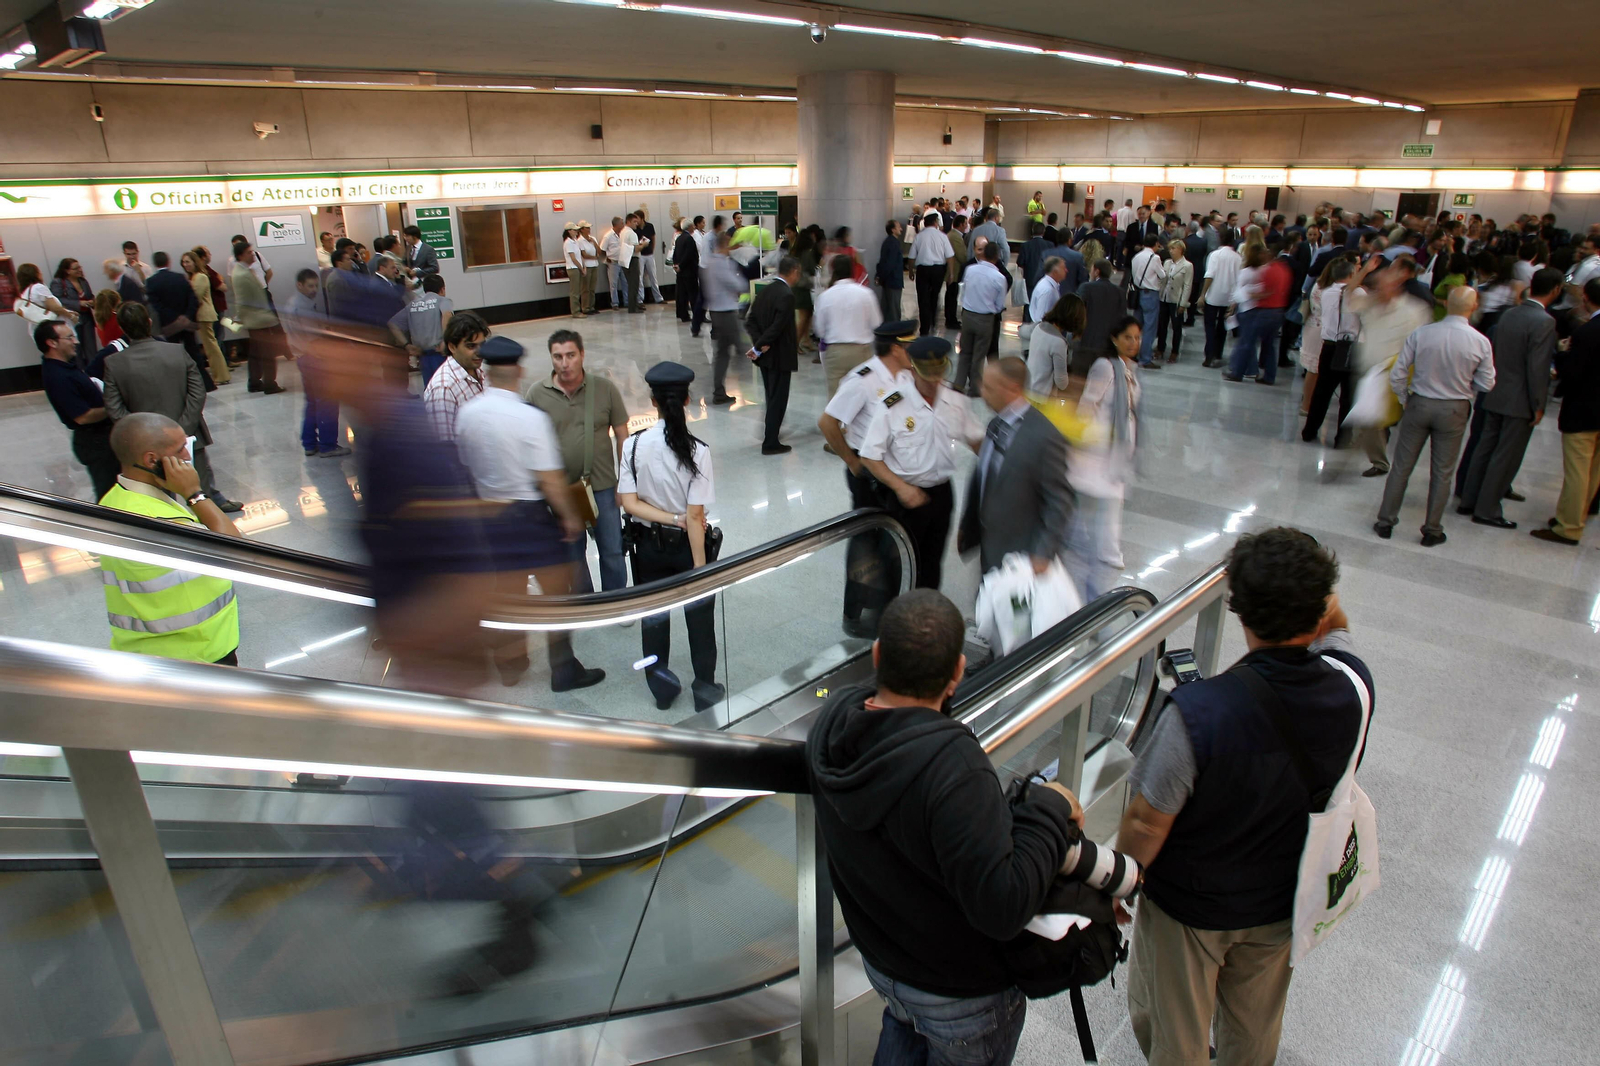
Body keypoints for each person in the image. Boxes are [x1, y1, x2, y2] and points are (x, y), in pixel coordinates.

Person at [1119, 527, 1372, 1066]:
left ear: (1240, 613)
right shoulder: (1352, 687)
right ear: (1320, 610)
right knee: (1254, 1028)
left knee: (1175, 1030)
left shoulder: (1196, 714)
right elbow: (1340, 627)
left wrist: (1117, 886)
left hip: (1191, 909)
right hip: (1283, 897)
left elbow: (1144, 825)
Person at [806, 588, 1085, 1066]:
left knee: (904, 1025)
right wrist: (1049, 808)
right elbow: (1002, 906)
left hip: (886, 962)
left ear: (876, 655)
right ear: (958, 672)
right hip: (959, 994)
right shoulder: (955, 770)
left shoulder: (833, 726)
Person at [453, 336, 605, 692]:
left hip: (489, 514)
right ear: (519, 370)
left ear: (487, 371)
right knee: (555, 592)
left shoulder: (468, 414)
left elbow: (464, 466)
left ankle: (510, 665)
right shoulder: (529, 417)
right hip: (529, 516)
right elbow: (550, 480)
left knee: (507, 591)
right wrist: (568, 517)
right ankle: (564, 669)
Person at [618, 361, 725, 711]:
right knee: (699, 622)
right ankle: (704, 691)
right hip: (688, 550)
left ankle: (661, 690)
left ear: (652, 401)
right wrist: (699, 570)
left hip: (647, 548)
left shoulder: (632, 447)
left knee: (654, 621)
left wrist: (667, 518)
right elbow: (695, 516)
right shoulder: (699, 451)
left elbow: (629, 504)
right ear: (688, 399)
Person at [97, 412, 243, 663]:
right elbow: (236, 550)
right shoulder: (158, 521)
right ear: (152, 460)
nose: (188, 456)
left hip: (145, 649)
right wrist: (195, 494)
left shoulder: (113, 499)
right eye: (180, 450)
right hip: (197, 652)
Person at [858, 337, 984, 590]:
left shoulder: (955, 401)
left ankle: (926, 615)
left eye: (939, 374)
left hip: (941, 494)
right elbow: (869, 456)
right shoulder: (893, 405)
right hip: (905, 497)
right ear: (913, 369)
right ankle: (896, 619)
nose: (934, 382)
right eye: (928, 376)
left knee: (931, 562)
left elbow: (978, 442)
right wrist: (901, 488)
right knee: (899, 565)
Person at [1375, 287, 1496, 546]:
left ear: (1447, 304)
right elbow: (1487, 383)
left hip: (1420, 403)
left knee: (1401, 467)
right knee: (1442, 472)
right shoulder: (1480, 341)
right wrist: (1466, 389)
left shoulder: (1423, 333)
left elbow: (1398, 373)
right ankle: (1432, 529)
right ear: (1473, 308)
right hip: (1454, 408)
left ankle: (1385, 521)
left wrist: (1406, 399)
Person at [819, 320, 915, 636]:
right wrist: (851, 460)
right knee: (866, 544)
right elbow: (828, 422)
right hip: (868, 474)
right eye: (909, 344)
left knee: (891, 541)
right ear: (896, 348)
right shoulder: (863, 380)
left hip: (893, 469)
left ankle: (885, 607)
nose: (913, 349)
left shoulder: (903, 374)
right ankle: (855, 615)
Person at [101, 302, 243, 513]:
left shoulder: (114, 363)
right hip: (188, 435)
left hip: (147, 448)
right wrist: (182, 430)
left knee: (159, 499)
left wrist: (144, 438)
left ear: (122, 328)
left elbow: (115, 408)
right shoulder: (177, 352)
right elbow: (197, 391)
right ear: (149, 323)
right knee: (200, 490)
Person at [524, 329, 631, 594]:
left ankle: (616, 600)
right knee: (573, 554)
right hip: (562, 491)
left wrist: (624, 483)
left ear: (582, 355)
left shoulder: (604, 389)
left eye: (570, 355)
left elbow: (622, 435)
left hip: (603, 486)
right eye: (558, 356)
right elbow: (529, 445)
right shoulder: (537, 394)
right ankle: (586, 600)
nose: (564, 363)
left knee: (612, 549)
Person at [1456, 268, 1560, 528]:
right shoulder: (1544, 322)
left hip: (1495, 390)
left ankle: (1468, 499)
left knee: (1484, 447)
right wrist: (1539, 403)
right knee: (1506, 455)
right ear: (1556, 289)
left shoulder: (1509, 313)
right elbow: (1537, 368)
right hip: (1519, 398)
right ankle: (1488, 509)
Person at [957, 357, 1073, 575]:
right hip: (990, 542)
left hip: (1022, 555)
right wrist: (968, 524)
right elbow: (983, 472)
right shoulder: (996, 423)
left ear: (1012, 389)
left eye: (989, 388)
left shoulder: (1045, 436)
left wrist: (1043, 552)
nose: (982, 393)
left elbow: (1060, 500)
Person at [1064, 314, 1142, 598]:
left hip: (1115, 452)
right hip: (1097, 451)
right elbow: (1087, 405)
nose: (1133, 343)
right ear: (1114, 339)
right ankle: (1096, 554)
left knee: (1106, 505)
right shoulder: (1106, 367)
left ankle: (1105, 552)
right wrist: (1083, 440)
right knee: (1092, 504)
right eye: (1127, 338)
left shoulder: (1130, 369)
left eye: (1137, 337)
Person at [1532, 277, 1600, 545]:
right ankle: (1576, 514)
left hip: (1584, 408)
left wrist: (1561, 356)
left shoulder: (1587, 332)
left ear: (1585, 298)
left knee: (1577, 471)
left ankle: (1569, 526)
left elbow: (1572, 373)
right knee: (1594, 470)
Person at [36, 319, 119, 501]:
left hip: (101, 438)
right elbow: (83, 416)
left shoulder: (66, 366)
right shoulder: (58, 377)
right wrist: (114, 407)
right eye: (69, 337)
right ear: (52, 343)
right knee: (110, 494)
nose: (76, 341)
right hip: (96, 442)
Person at [745, 255, 801, 455]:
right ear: (793, 271)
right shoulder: (786, 295)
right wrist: (761, 344)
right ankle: (770, 442)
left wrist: (759, 346)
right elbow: (778, 327)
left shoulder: (766, 290)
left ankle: (771, 434)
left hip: (766, 358)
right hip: (780, 357)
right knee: (778, 399)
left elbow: (749, 321)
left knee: (771, 396)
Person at [814, 253, 883, 398]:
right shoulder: (866, 294)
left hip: (835, 353)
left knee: (836, 399)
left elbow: (820, 330)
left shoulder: (825, 296)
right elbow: (877, 324)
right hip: (862, 352)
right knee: (864, 396)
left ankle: (837, 422)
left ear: (833, 271)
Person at [144, 251, 210, 388]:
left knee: (174, 355)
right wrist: (186, 316)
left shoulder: (151, 282)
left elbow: (157, 306)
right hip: (187, 322)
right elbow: (193, 299)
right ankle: (205, 383)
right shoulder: (180, 278)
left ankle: (181, 385)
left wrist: (174, 318)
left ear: (155, 264)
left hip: (169, 325)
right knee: (193, 352)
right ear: (168, 262)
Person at [422, 311, 488, 441]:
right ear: (452, 347)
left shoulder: (479, 371)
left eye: (482, 345)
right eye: (471, 346)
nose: (480, 352)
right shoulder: (443, 389)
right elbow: (445, 445)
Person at [229, 241, 284, 394]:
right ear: (240, 256)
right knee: (267, 354)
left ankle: (254, 382)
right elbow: (242, 300)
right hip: (257, 320)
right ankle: (270, 384)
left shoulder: (243, 271)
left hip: (255, 320)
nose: (252, 254)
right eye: (248, 252)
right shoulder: (242, 274)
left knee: (256, 354)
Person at [954, 242, 1008, 396]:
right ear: (997, 257)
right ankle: (975, 388)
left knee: (965, 352)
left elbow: (963, 290)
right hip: (985, 319)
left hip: (968, 315)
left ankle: (958, 383)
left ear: (983, 254)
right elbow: (999, 304)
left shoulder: (970, 270)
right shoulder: (999, 277)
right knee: (979, 355)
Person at [702, 233, 746, 405]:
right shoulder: (722, 264)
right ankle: (748, 383)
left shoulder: (710, 263)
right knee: (744, 349)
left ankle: (719, 391)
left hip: (716, 311)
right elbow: (737, 284)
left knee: (722, 353)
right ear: (724, 245)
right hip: (726, 312)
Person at [390, 274, 454, 386]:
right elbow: (447, 315)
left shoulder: (413, 305)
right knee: (445, 386)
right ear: (442, 289)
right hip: (440, 354)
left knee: (429, 388)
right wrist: (445, 340)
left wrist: (406, 345)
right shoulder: (443, 300)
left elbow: (393, 324)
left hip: (423, 355)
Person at [182, 250, 229, 386]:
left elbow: (196, 296)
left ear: (194, 262)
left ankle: (221, 375)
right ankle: (219, 374)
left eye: (188, 262)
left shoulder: (200, 277)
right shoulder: (195, 277)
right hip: (202, 315)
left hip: (204, 315)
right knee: (210, 346)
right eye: (184, 262)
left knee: (211, 346)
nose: (185, 265)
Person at [1027, 292, 1085, 395]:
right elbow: (1061, 382)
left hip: (1028, 389)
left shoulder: (1039, 327)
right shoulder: (1058, 342)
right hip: (1043, 397)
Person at [1199, 238, 1242, 368]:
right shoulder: (1238, 257)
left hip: (1214, 295)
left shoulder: (1214, 255)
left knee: (1210, 326)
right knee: (1223, 326)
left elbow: (1209, 275)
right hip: (1229, 296)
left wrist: (1202, 294)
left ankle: (1209, 354)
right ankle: (1218, 352)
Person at [1075, 259, 1122, 378]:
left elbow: (1077, 311)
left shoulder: (1086, 287)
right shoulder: (1119, 292)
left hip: (1086, 341)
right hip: (1108, 345)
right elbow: (1122, 319)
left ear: (1096, 271)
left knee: (1079, 378)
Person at [910, 213, 955, 336]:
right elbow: (950, 256)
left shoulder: (919, 237)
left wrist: (910, 271)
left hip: (923, 270)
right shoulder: (943, 236)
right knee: (934, 296)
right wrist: (951, 273)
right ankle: (933, 323)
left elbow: (912, 257)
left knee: (923, 298)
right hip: (938, 270)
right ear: (935, 223)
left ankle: (924, 328)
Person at [49, 258, 97, 360]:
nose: (79, 270)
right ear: (67, 271)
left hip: (87, 317)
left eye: (79, 267)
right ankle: (79, 371)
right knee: (75, 347)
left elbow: (90, 295)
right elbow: (57, 301)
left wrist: (93, 302)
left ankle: (93, 372)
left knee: (91, 347)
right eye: (76, 268)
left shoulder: (83, 281)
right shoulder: (58, 282)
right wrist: (79, 303)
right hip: (71, 318)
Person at [1155, 240, 1194, 363]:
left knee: (1176, 327)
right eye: (1170, 248)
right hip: (1164, 297)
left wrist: (1183, 303)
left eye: (1174, 248)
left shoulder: (1187, 266)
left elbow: (1187, 285)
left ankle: (1175, 351)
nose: (1171, 251)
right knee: (1162, 325)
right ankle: (1160, 348)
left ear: (1181, 250)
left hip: (1176, 299)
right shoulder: (1167, 263)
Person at [13, 262, 77, 327]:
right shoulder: (38, 287)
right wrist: (71, 316)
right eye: (39, 272)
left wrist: (68, 311)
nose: (41, 273)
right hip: (54, 324)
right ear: (35, 274)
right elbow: (54, 307)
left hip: (37, 325)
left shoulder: (25, 291)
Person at [876, 219, 906, 323]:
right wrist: (881, 276)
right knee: (893, 310)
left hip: (889, 280)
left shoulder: (888, 242)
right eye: (898, 227)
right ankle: (894, 331)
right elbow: (890, 263)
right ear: (893, 230)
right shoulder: (893, 243)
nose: (901, 229)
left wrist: (880, 276)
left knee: (887, 308)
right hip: (893, 281)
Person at [671, 217, 700, 325]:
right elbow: (689, 255)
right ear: (689, 226)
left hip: (681, 271)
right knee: (693, 294)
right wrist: (682, 265)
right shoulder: (689, 239)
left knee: (682, 294)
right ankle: (697, 314)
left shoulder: (679, 238)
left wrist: (676, 265)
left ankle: (683, 314)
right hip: (689, 271)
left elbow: (676, 254)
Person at [635, 206, 664, 305]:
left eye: (637, 219)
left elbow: (653, 238)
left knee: (653, 276)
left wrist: (652, 249)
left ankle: (658, 298)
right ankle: (640, 299)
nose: (636, 221)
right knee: (640, 277)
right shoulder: (635, 229)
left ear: (642, 218)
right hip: (640, 255)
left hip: (649, 254)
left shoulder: (649, 226)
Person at [945, 216, 969, 330]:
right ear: (960, 225)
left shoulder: (953, 235)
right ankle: (951, 320)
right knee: (952, 296)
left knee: (951, 295)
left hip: (953, 271)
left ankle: (951, 318)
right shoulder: (955, 237)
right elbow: (962, 255)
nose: (967, 226)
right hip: (954, 271)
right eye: (965, 223)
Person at [576, 220, 601, 315]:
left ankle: (591, 306)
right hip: (587, 266)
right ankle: (585, 307)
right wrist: (594, 257)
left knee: (592, 288)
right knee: (585, 288)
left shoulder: (592, 238)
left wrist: (594, 242)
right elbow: (584, 255)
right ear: (582, 230)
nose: (589, 229)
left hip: (594, 265)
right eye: (587, 228)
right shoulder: (579, 241)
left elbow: (599, 251)